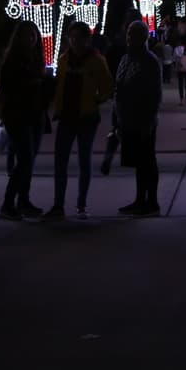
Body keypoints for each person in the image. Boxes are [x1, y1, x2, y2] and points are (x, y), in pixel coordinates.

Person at [44, 20, 113, 221]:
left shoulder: (96, 60)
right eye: (72, 37)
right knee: (60, 162)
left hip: (86, 117)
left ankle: (81, 205)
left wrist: (96, 100)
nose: (75, 41)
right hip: (66, 116)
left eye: (79, 37)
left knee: (84, 160)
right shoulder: (64, 59)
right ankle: (58, 205)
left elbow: (107, 86)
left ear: (86, 39)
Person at [0, 20, 50, 221]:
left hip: (35, 114)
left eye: (33, 34)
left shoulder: (36, 58)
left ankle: (24, 201)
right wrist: (33, 83)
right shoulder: (12, 61)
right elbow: (8, 89)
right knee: (25, 160)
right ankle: (8, 204)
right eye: (26, 34)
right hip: (18, 116)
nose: (31, 38)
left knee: (29, 161)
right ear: (18, 38)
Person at [113, 20, 163, 217]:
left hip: (143, 119)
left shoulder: (150, 61)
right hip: (127, 118)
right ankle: (139, 199)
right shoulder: (126, 59)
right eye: (129, 33)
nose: (130, 37)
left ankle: (152, 202)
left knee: (147, 160)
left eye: (135, 34)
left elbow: (154, 94)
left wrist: (149, 120)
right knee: (138, 162)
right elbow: (119, 87)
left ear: (143, 37)